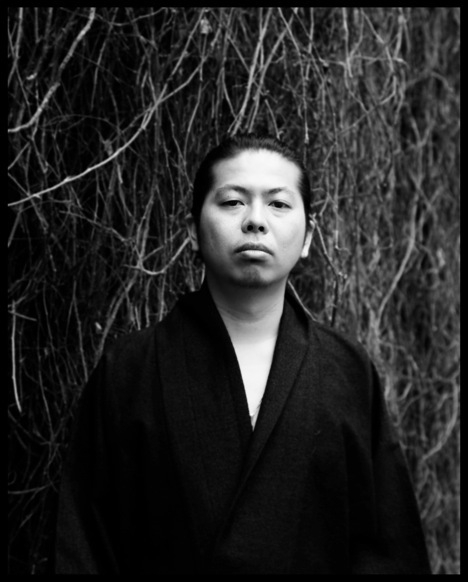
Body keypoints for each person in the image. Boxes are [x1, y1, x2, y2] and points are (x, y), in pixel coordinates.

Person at [54, 133, 432, 574]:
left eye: (279, 204)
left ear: (308, 237)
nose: (255, 220)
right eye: (233, 202)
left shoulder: (347, 371)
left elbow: (388, 547)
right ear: (193, 230)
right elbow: (85, 545)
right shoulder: (130, 368)